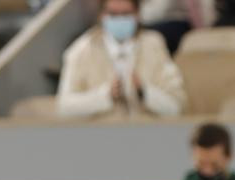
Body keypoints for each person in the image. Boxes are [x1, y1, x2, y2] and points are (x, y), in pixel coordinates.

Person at [56, 0, 186, 119]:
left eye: (126, 14)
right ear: (101, 15)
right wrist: (105, 96)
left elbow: (177, 107)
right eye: (113, 14)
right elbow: (64, 108)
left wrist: (144, 93)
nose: (119, 19)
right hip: (100, 139)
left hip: (148, 137)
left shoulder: (154, 45)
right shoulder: (81, 50)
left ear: (137, 14)